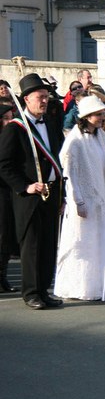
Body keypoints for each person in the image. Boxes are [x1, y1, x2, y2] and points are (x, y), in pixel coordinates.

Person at [0, 73, 65, 310]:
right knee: (32, 247)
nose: (45, 101)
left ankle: (44, 290)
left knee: (48, 245)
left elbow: (58, 161)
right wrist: (25, 186)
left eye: (46, 97)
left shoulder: (51, 124)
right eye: (40, 97)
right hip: (29, 197)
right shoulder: (15, 128)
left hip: (51, 193)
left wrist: (62, 195)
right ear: (26, 99)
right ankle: (31, 293)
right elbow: (4, 166)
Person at [53, 96, 105, 300]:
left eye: (103, 114)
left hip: (101, 200)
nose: (102, 118)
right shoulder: (75, 140)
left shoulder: (101, 137)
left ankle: (98, 286)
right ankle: (79, 287)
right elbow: (70, 173)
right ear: (87, 116)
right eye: (99, 114)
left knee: (99, 244)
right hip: (84, 200)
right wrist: (78, 201)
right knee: (83, 245)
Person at [0, 103, 19, 293]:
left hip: (9, 192)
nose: (8, 122)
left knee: (6, 236)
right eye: (4, 119)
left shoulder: (12, 137)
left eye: (10, 118)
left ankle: (2, 276)